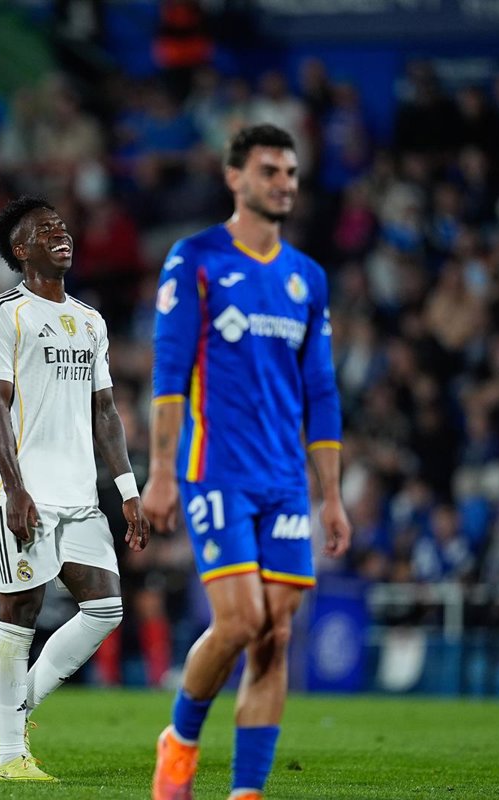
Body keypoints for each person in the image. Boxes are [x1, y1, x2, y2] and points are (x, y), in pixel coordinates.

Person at [143, 124, 352, 800]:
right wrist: (160, 472)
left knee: (276, 634)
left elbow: (321, 392)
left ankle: (246, 793)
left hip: (285, 482)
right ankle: (180, 741)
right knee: (239, 621)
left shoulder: (307, 277)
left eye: (291, 172)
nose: (284, 184)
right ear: (234, 177)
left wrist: (331, 496)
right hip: (216, 470)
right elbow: (170, 373)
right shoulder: (196, 258)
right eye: (269, 171)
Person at [0, 195, 150, 782]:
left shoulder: (90, 320)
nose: (60, 232)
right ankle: (9, 756)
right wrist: (14, 488)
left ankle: (15, 703)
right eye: (45, 229)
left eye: (62, 226)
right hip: (18, 490)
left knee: (105, 608)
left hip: (77, 492)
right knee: (19, 612)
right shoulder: (3, 312)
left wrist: (127, 490)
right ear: (21, 249)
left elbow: (106, 411)